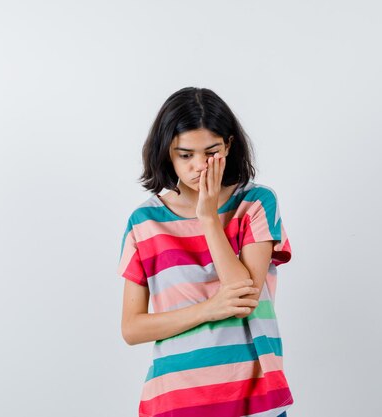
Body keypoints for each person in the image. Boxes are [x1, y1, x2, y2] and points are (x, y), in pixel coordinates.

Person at [117, 87, 293, 417]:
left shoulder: (256, 204)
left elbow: (244, 299)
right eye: (185, 155)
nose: (200, 166)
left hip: (250, 398)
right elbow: (132, 328)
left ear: (228, 145)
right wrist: (208, 309)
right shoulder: (144, 223)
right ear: (167, 153)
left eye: (211, 152)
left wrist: (209, 217)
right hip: (174, 400)